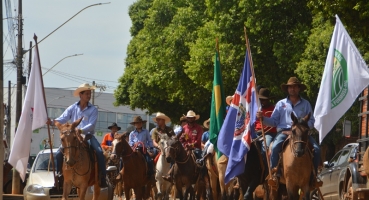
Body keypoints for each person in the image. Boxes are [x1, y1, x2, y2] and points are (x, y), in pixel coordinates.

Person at [256, 77, 322, 189]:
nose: (292, 89)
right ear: (287, 89)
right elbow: (274, 121)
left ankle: (313, 176)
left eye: (295, 87)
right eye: (290, 87)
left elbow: (312, 121)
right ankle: (274, 174)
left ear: (298, 89)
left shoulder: (306, 104)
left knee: (317, 149)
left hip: (301, 133)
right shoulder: (280, 104)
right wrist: (263, 119)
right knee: (275, 147)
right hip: (284, 132)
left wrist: (303, 127)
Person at [48, 83, 108, 188]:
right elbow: (62, 119)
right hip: (73, 137)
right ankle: (60, 176)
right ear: (81, 95)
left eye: (89, 94)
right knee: (58, 153)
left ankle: (102, 177)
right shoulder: (72, 108)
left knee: (99, 151)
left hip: (88, 136)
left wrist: (80, 130)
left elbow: (91, 125)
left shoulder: (93, 109)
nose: (89, 96)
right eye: (87, 94)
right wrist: (52, 121)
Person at [163, 110, 204, 182]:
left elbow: (199, 140)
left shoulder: (199, 128)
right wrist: (182, 139)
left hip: (196, 148)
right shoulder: (184, 128)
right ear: (187, 118)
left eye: (192, 118)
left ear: (194, 118)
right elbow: (181, 140)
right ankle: (170, 174)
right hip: (185, 148)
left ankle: (202, 176)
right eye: (189, 117)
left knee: (202, 160)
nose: (190, 119)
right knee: (174, 157)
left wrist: (191, 145)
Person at [128, 116, 155, 180]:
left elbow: (149, 141)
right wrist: (134, 144)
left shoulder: (146, 132)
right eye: (137, 123)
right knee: (124, 160)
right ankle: (121, 174)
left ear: (142, 123)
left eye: (139, 123)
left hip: (143, 150)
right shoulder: (132, 133)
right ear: (134, 124)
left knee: (149, 161)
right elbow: (130, 142)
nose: (138, 124)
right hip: (134, 150)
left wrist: (151, 148)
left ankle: (151, 175)